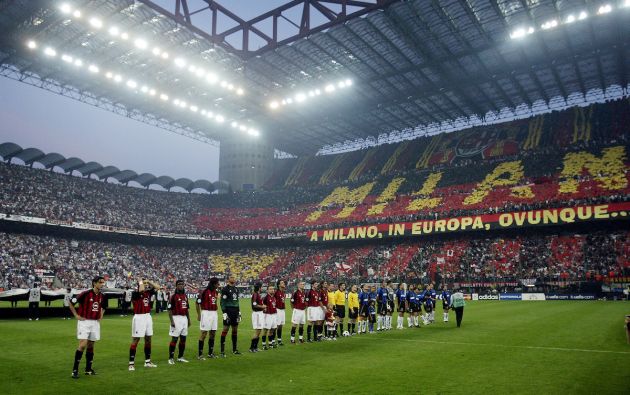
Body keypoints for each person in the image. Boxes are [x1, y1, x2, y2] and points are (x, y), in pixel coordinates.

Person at [69, 276, 106, 379]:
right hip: (84, 322)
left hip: (95, 323)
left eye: (103, 282)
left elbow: (104, 307)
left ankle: (88, 369)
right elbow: (71, 302)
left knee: (91, 345)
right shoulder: (85, 293)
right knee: (83, 345)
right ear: (94, 283)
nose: (102, 284)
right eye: (100, 282)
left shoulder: (102, 296)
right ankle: (75, 370)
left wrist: (101, 316)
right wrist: (76, 315)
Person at [129, 278, 160, 371]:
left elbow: (158, 287)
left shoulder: (148, 293)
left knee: (148, 339)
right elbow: (141, 289)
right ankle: (131, 364)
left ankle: (147, 362)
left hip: (147, 317)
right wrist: (140, 280)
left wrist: (149, 281)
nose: (146, 286)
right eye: (144, 284)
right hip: (139, 317)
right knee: (136, 339)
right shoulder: (135, 293)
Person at [196, 277, 220, 360]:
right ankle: (200, 355)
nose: (218, 285)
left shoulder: (215, 292)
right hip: (206, 313)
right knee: (204, 333)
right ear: (213, 283)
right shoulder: (205, 291)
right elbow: (197, 303)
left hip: (214, 313)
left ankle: (210, 353)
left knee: (213, 333)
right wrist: (199, 315)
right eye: (217, 283)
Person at [168, 279, 190, 364]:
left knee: (183, 339)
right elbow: (169, 310)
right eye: (179, 284)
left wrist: (189, 320)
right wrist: (172, 321)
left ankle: (180, 357)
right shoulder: (173, 296)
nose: (181, 285)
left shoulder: (185, 296)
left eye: (182, 284)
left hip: (184, 319)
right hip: (176, 318)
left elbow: (187, 309)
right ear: (176, 286)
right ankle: (170, 358)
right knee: (174, 339)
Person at [219, 274, 241, 357]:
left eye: (234, 277)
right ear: (228, 279)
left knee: (235, 330)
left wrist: (239, 312)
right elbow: (222, 302)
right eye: (231, 277)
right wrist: (224, 313)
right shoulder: (225, 289)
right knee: (225, 329)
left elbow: (237, 301)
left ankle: (234, 350)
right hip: (228, 311)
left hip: (235, 311)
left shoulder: (236, 289)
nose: (233, 278)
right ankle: (222, 351)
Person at [249, 282, 265, 352]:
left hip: (260, 313)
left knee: (259, 331)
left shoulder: (258, 294)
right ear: (259, 287)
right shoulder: (255, 294)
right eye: (261, 287)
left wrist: (263, 307)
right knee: (257, 331)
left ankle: (255, 347)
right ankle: (251, 348)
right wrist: (262, 306)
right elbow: (254, 304)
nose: (262, 288)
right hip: (257, 314)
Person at [262, 284, 278, 350]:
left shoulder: (274, 297)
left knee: (272, 330)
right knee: (265, 330)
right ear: (267, 290)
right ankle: (263, 345)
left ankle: (270, 343)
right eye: (270, 289)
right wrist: (264, 309)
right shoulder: (266, 297)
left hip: (274, 314)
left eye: (273, 289)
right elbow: (262, 304)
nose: (272, 290)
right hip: (268, 315)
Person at [274, 280, 286, 346]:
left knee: (281, 325)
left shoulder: (283, 292)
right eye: (282, 283)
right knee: (277, 325)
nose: (284, 283)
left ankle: (279, 340)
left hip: (282, 310)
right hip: (278, 310)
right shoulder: (276, 292)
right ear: (279, 285)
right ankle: (273, 340)